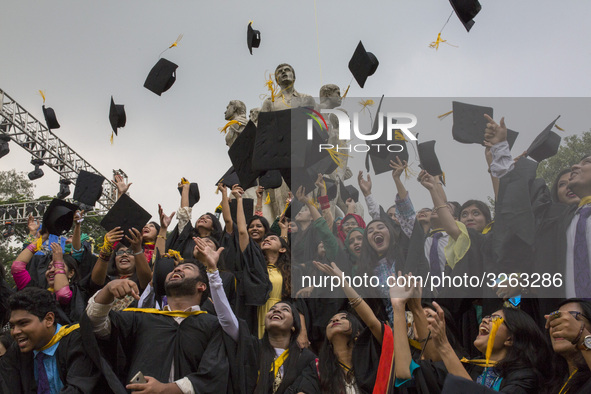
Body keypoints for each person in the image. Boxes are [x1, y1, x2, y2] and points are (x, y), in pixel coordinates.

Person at [83, 258, 229, 393]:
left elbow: (214, 374)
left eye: (187, 268)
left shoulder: (213, 326)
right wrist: (107, 290)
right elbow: (95, 325)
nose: (176, 270)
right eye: (174, 269)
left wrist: (164, 389)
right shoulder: (142, 318)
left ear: (201, 286)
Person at [197, 237, 319, 394]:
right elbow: (226, 319)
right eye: (273, 309)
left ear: (294, 325)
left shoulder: (306, 359)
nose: (276, 310)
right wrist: (213, 271)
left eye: (285, 310)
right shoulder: (251, 347)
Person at [425, 303, 553, 392]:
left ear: (510, 339)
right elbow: (420, 374)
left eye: (495, 319)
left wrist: (444, 346)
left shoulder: (526, 377)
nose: (485, 320)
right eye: (486, 317)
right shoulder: (474, 368)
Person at [0, 288, 106, 393]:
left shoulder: (77, 340)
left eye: (23, 323)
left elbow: (78, 389)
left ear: (49, 319)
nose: (15, 332)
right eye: (12, 326)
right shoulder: (18, 350)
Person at [545, 298, 591, 393]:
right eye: (555, 319)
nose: (559, 326)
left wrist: (581, 336)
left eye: (572, 318)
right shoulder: (553, 380)